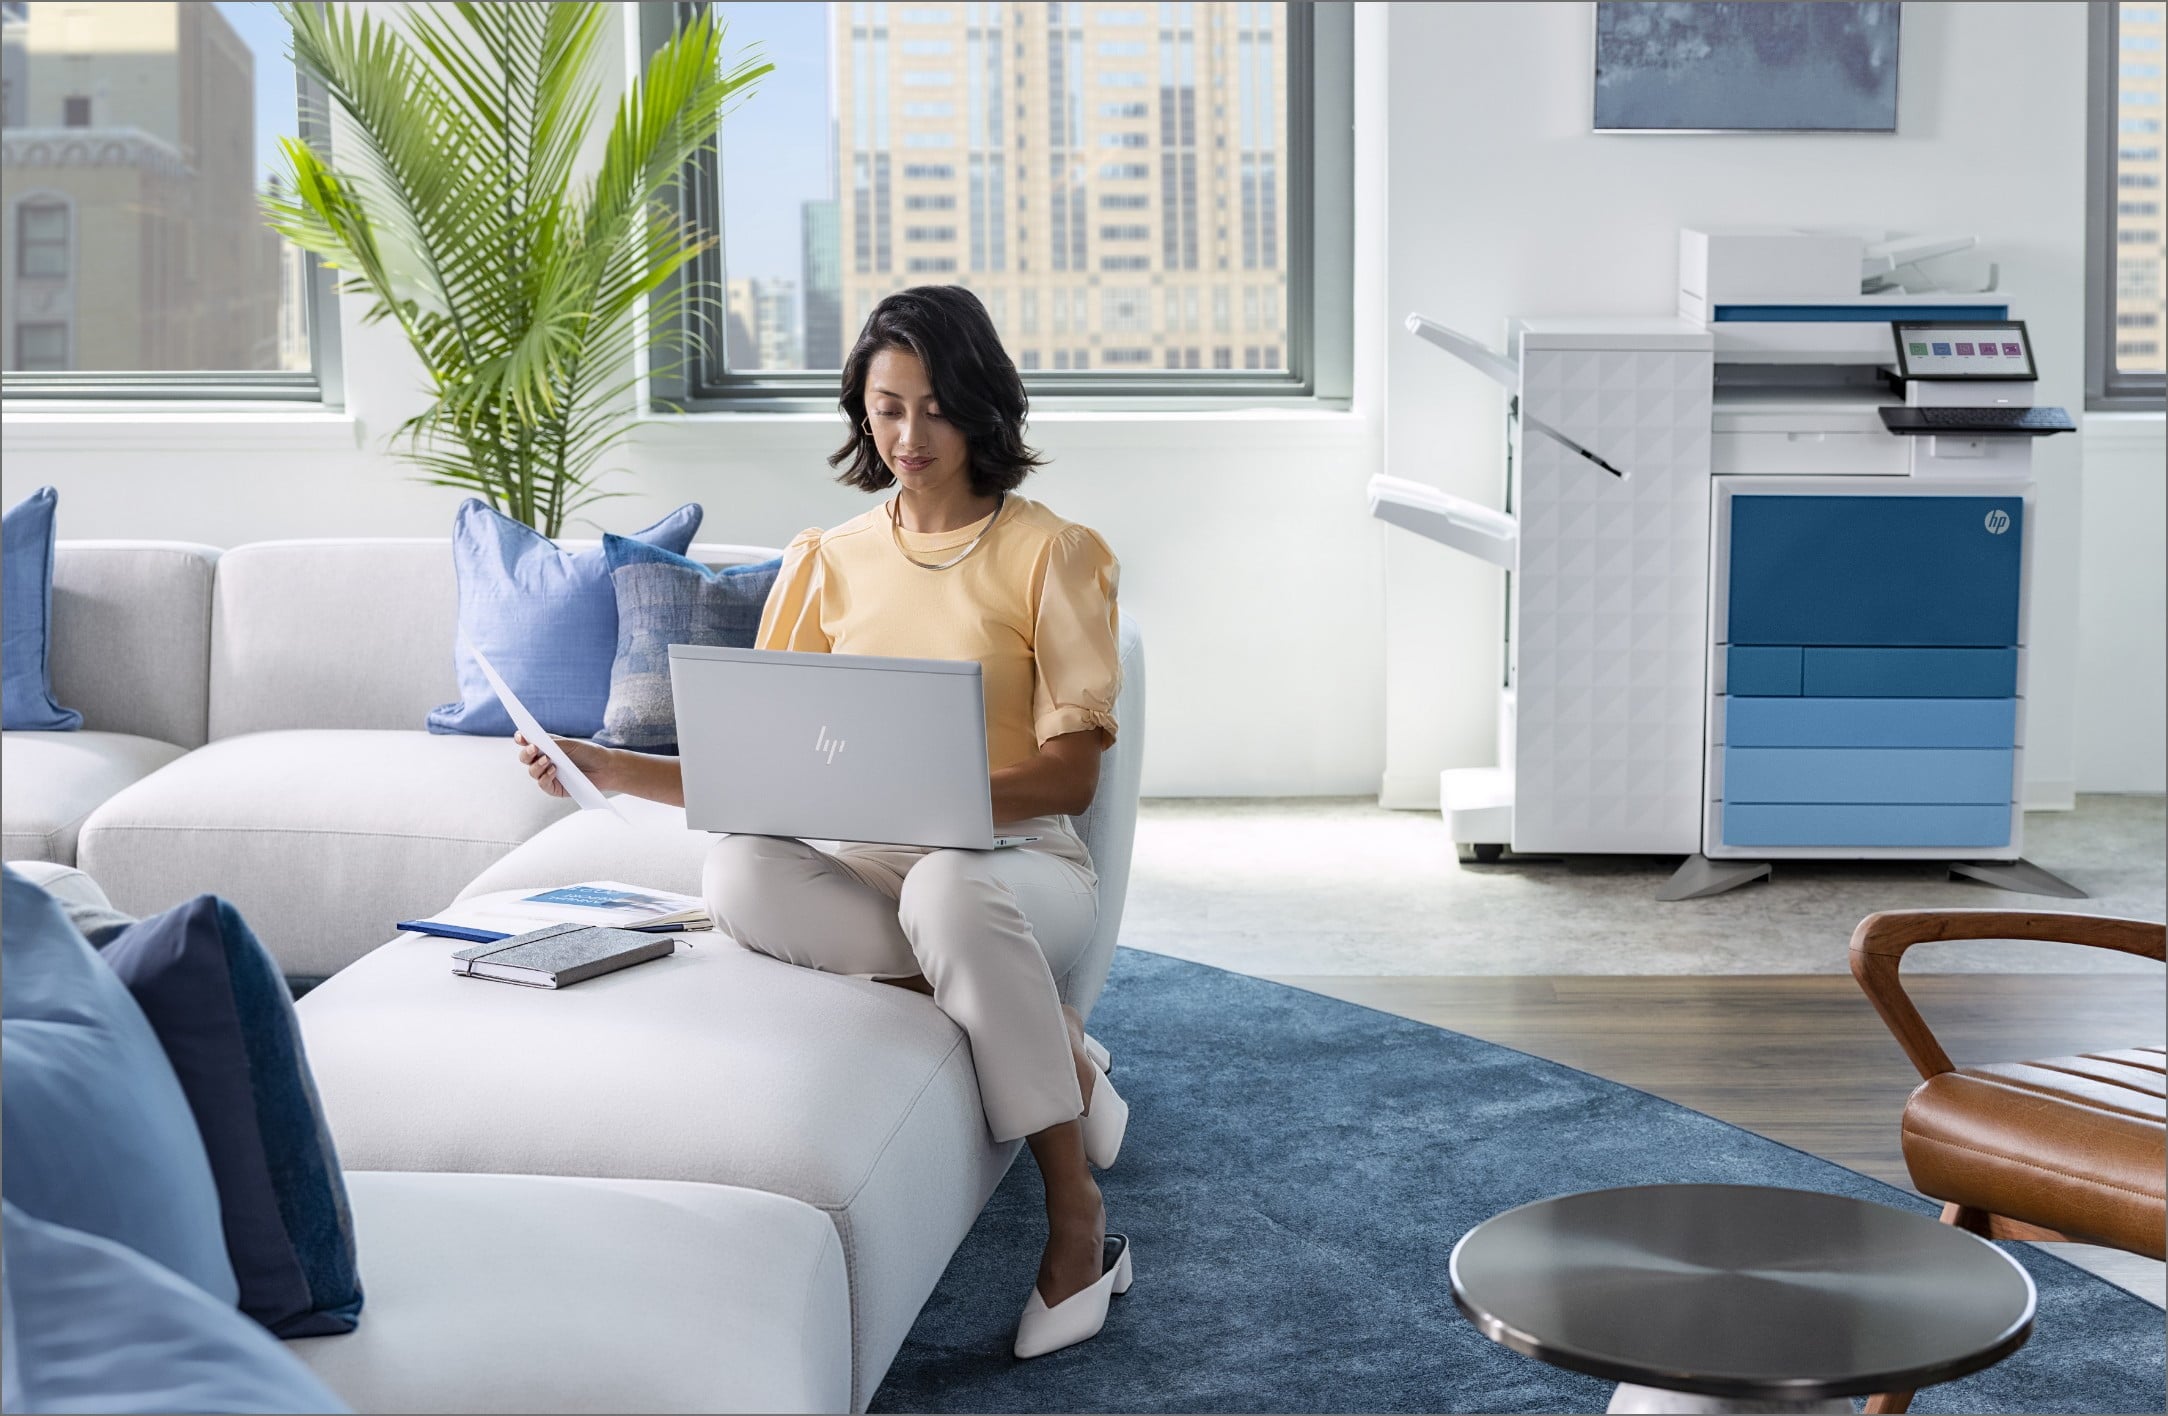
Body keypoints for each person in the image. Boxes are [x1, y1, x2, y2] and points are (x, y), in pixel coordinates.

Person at [516, 285, 1131, 1359]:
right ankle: (1057, 1049)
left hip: (1014, 863)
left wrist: (951, 809)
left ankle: (1076, 1219)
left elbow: (1071, 773)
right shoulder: (828, 558)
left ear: (980, 406)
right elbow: (757, 768)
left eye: (933, 408)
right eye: (886, 408)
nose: (907, 435)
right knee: (741, 870)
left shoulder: (1051, 551)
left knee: (950, 888)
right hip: (863, 863)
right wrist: (604, 766)